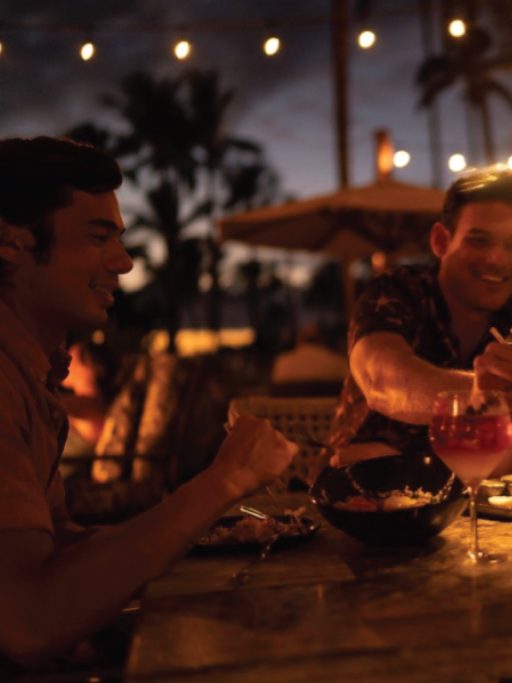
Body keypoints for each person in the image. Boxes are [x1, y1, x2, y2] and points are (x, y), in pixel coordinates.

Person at [0, 137, 299, 667]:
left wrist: (190, 535)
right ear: (12, 242)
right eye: (98, 238)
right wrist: (223, 481)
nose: (125, 263)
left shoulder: (32, 375)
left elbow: (60, 553)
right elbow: (30, 622)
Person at [326, 168, 512, 469]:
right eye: (479, 241)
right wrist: (482, 393)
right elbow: (382, 382)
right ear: (440, 241)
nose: (497, 259)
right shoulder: (396, 292)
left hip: (472, 502)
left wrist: (415, 465)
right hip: (358, 494)